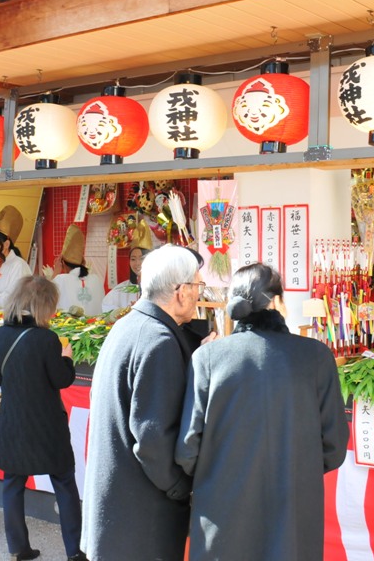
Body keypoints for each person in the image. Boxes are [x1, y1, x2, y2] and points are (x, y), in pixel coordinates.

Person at [176, 263, 348, 561]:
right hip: (293, 512)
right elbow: (334, 447)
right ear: (278, 302)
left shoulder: (207, 358)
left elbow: (187, 449)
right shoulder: (316, 357)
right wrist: (294, 468)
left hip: (222, 513)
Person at [81, 245, 203, 561]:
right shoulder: (159, 341)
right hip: (141, 515)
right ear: (180, 291)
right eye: (197, 286)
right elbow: (152, 438)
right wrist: (180, 487)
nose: (199, 295)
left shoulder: (128, 326)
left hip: (117, 507)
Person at [0, 276, 87, 561]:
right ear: (44, 306)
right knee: (65, 485)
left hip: (12, 423)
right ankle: (74, 551)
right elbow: (61, 379)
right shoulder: (47, 339)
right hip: (47, 426)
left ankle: (19, 549)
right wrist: (67, 358)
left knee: (12, 485)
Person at [100, 219, 152, 313]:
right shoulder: (122, 289)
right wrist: (125, 312)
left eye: (141, 258)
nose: (137, 263)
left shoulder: (158, 287)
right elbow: (106, 306)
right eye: (133, 259)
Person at [53, 225, 104, 316]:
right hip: (96, 327)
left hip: (68, 329)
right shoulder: (96, 279)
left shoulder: (60, 279)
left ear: (62, 264)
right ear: (83, 262)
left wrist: (55, 272)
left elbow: (44, 299)